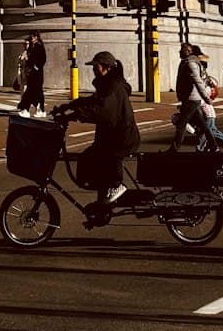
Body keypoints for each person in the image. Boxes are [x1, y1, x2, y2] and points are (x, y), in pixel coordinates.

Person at [60, 52, 140, 206]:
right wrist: (71, 105)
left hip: (121, 138)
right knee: (88, 157)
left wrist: (76, 115)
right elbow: (94, 101)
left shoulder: (113, 86)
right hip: (111, 136)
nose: (94, 70)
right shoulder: (107, 85)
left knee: (103, 156)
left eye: (96, 67)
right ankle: (102, 202)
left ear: (106, 68)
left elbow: (103, 112)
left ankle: (117, 185)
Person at [173, 44, 223, 151]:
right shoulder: (187, 62)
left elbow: (198, 82)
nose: (179, 52)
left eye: (182, 50)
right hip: (191, 99)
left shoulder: (190, 63)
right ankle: (214, 145)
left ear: (188, 51)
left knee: (181, 124)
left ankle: (174, 148)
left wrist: (206, 98)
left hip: (192, 99)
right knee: (203, 126)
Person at [17, 32, 47, 118]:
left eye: (33, 37)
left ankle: (26, 108)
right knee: (36, 92)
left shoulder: (39, 46)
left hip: (36, 74)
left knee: (31, 92)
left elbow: (43, 59)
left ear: (36, 37)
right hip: (32, 73)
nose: (31, 39)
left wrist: (36, 66)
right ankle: (39, 109)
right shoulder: (32, 47)